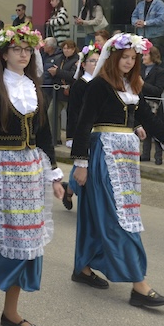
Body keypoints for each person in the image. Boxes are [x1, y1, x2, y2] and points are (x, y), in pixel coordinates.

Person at [71, 33, 164, 307]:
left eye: (133, 58)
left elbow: (148, 117)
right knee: (118, 217)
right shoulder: (99, 85)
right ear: (113, 58)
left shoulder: (132, 85)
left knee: (98, 213)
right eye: (124, 57)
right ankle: (138, 284)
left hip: (126, 157)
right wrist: (81, 163)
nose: (129, 62)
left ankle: (83, 267)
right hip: (104, 154)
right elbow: (83, 123)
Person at [0, 26, 64, 326]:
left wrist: (54, 175)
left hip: (30, 173)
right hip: (1, 170)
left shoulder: (35, 88)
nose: (23, 54)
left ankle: (11, 312)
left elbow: (44, 135)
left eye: (27, 49)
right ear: (4, 54)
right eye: (17, 49)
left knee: (26, 243)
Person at [63, 43, 101, 210]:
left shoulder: (100, 83)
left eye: (98, 61)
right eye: (92, 61)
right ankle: (73, 190)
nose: (95, 64)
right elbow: (73, 111)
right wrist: (72, 136)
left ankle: (70, 190)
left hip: (97, 131)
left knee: (90, 164)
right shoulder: (80, 85)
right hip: (83, 131)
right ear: (84, 65)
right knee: (83, 163)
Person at [140, 45, 164, 165]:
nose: (143, 57)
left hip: (155, 105)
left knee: (156, 128)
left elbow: (158, 90)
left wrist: (143, 84)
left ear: (152, 56)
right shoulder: (140, 70)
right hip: (142, 103)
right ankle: (145, 154)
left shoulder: (160, 71)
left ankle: (158, 156)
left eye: (146, 55)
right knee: (145, 128)